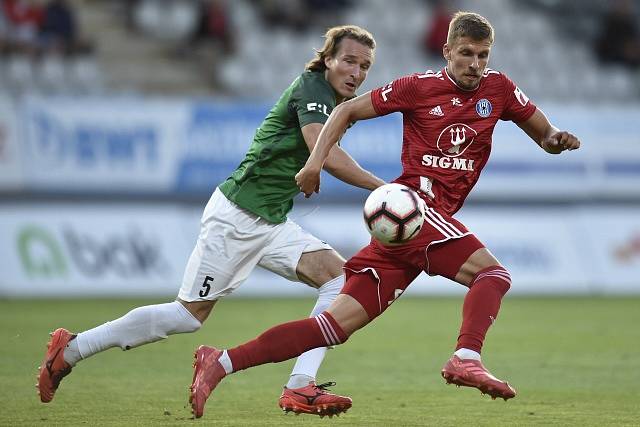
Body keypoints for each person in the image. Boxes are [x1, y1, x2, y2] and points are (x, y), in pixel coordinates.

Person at [188, 11, 581, 418]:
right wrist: (314, 164)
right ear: (448, 51)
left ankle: (221, 361)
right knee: (493, 275)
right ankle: (466, 356)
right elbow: (344, 112)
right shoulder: (418, 87)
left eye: (483, 55)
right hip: (415, 209)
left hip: (401, 230)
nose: (475, 64)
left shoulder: (499, 89)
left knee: (332, 327)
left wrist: (558, 140)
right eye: (466, 53)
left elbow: (544, 135)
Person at [37, 24, 385, 418]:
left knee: (341, 280)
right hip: (237, 218)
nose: (355, 72)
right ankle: (71, 349)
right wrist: (384, 189)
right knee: (186, 317)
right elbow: (321, 148)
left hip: (270, 221)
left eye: (365, 66)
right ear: (328, 60)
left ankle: (300, 386)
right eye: (349, 61)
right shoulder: (313, 89)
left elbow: (323, 152)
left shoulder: (338, 101)